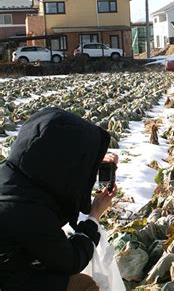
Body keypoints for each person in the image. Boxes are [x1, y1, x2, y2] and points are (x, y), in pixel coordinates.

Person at [0, 107, 118, 291]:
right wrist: (94, 216)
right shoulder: (28, 211)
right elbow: (71, 260)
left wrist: (93, 163)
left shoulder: (14, 176)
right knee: (83, 286)